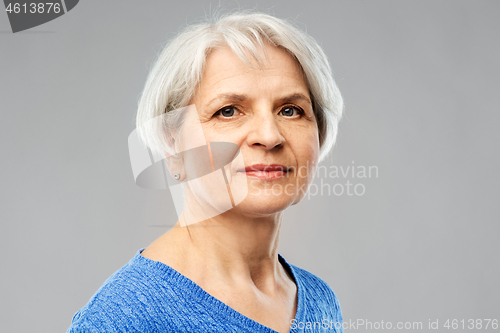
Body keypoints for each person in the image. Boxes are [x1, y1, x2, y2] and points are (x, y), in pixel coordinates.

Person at [68, 11, 344, 333]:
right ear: (173, 145)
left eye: (290, 110)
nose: (269, 136)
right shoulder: (122, 319)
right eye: (228, 111)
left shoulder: (321, 302)